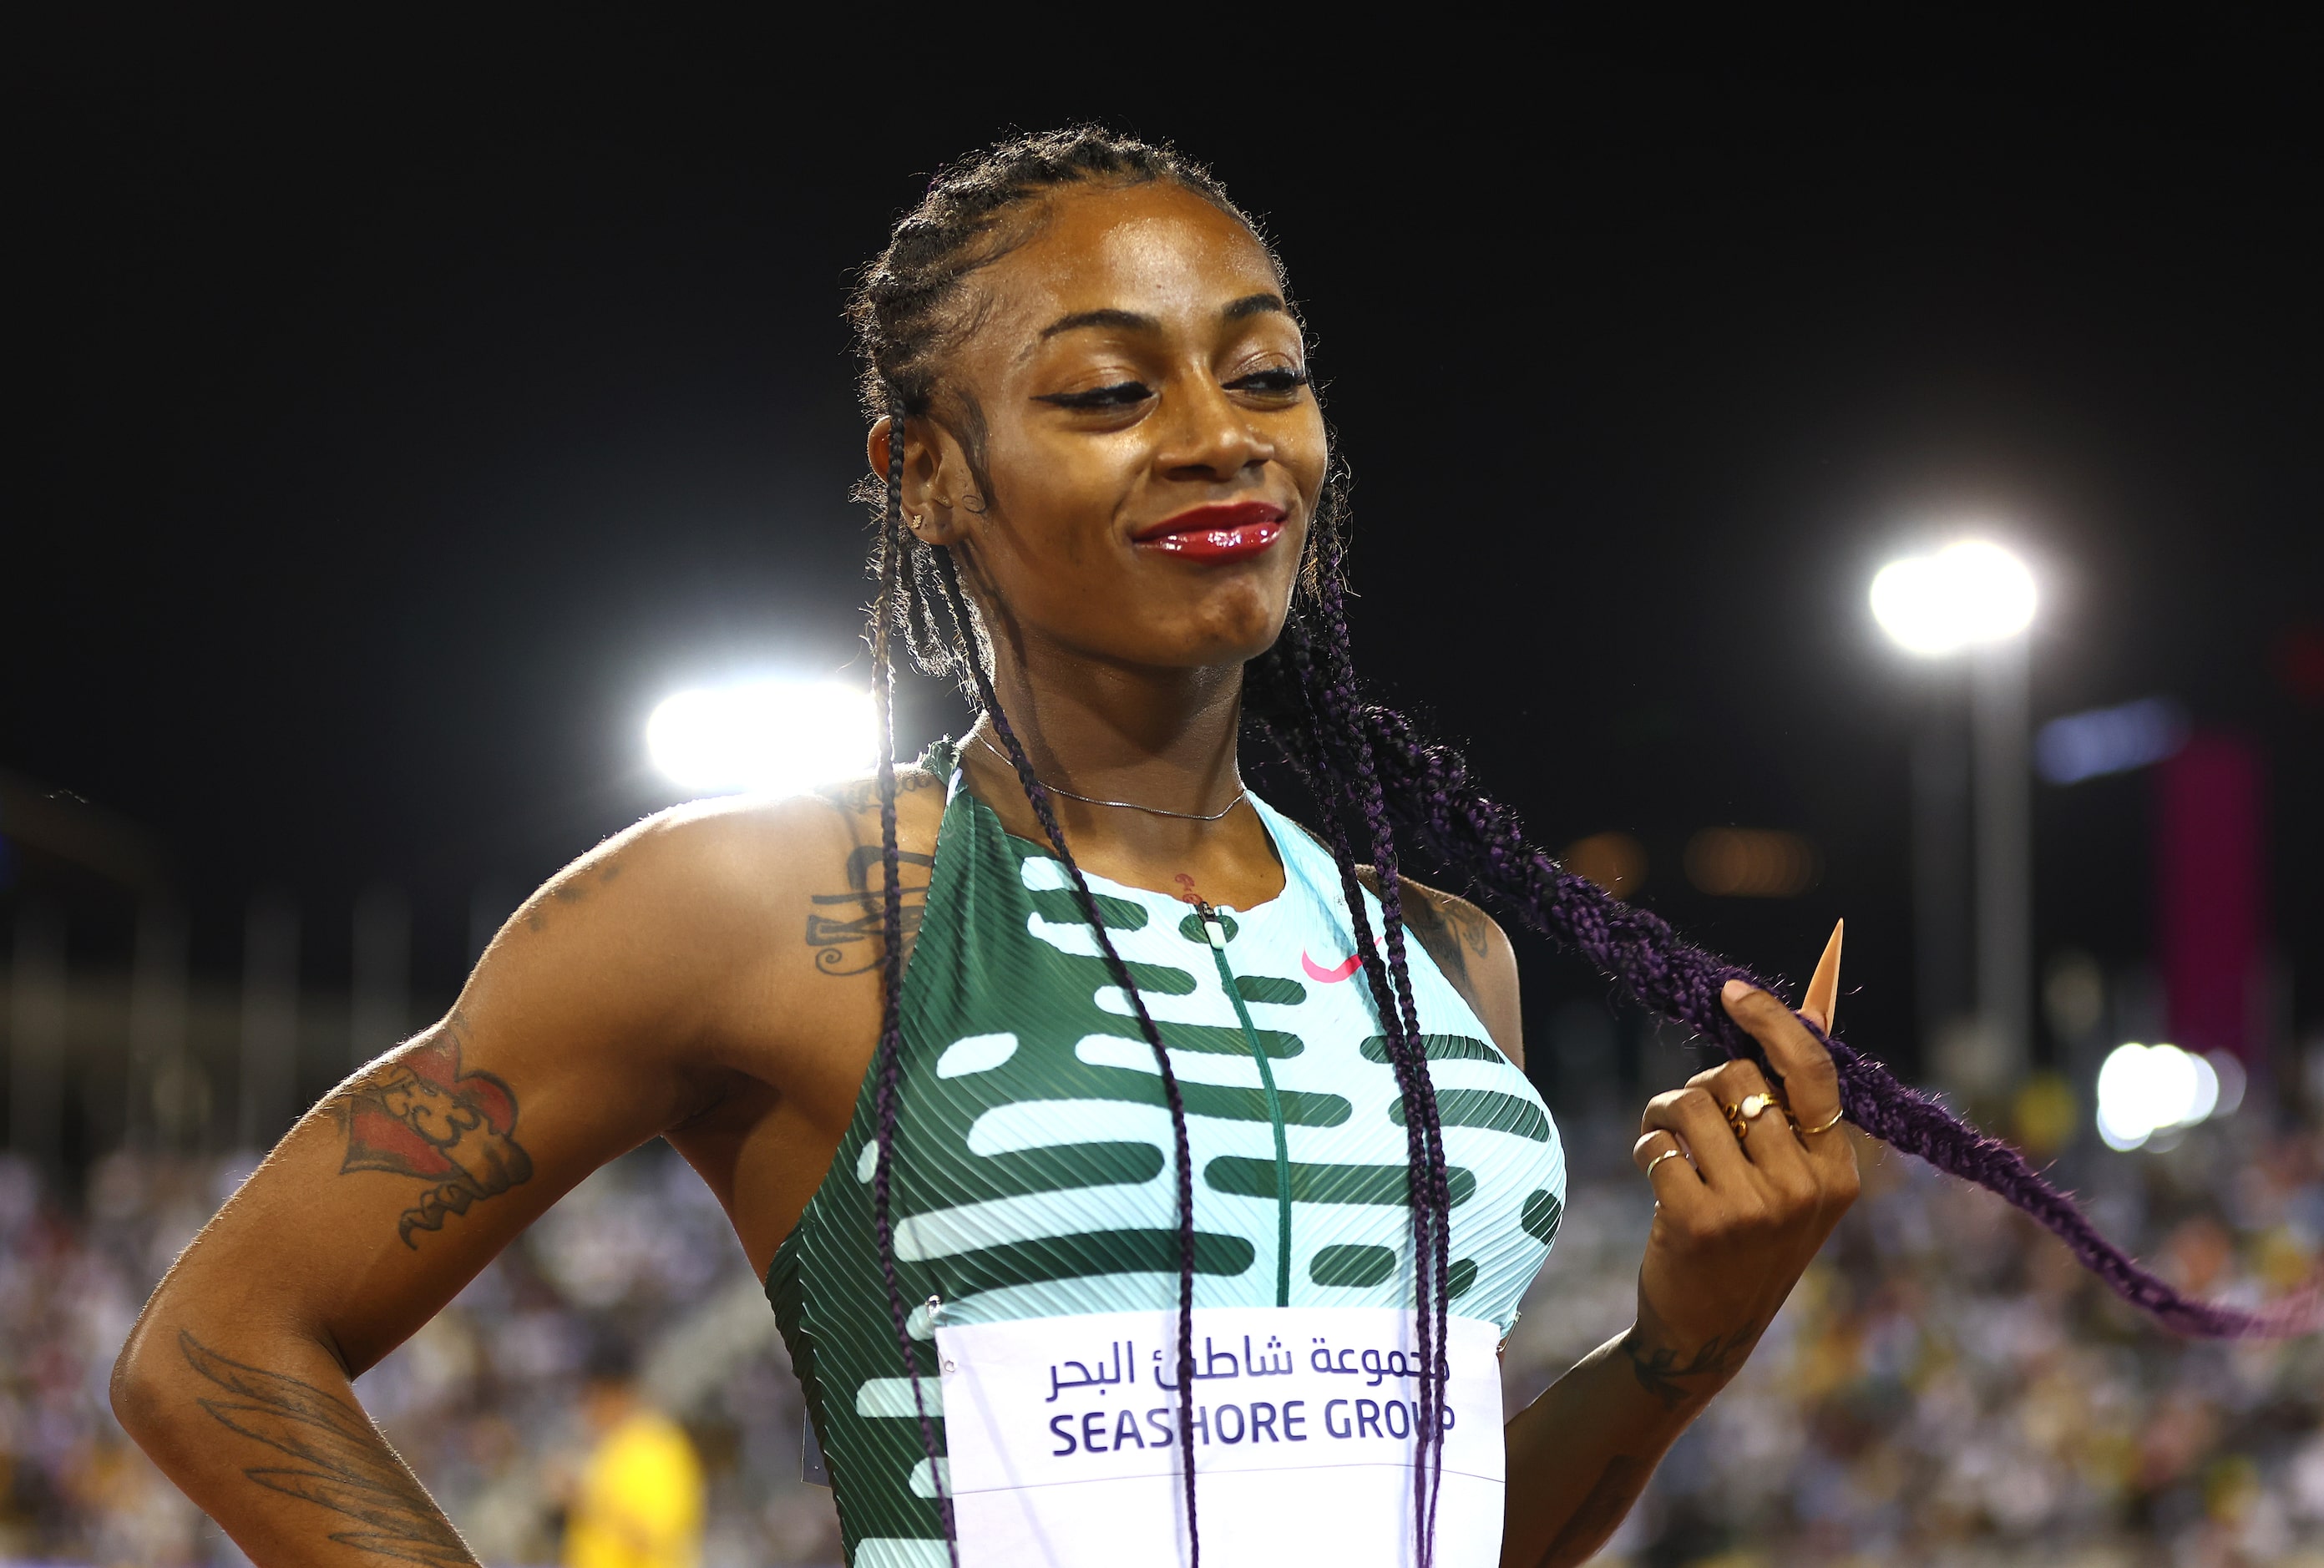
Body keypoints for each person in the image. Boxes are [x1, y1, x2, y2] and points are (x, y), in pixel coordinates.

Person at [109, 129, 1861, 1568]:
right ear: (927, 472)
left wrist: (1679, 1338)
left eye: (1263, 370)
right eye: (1106, 391)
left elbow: (1453, 1540)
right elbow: (215, 1350)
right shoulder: (761, 907)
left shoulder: (1437, 960)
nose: (1216, 433)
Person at [560, 1343, 706, 1568]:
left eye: (594, 1395)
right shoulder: (610, 1449)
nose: (588, 1407)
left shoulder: (656, 1446)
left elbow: (653, 1537)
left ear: (617, 1393)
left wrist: (587, 1499)